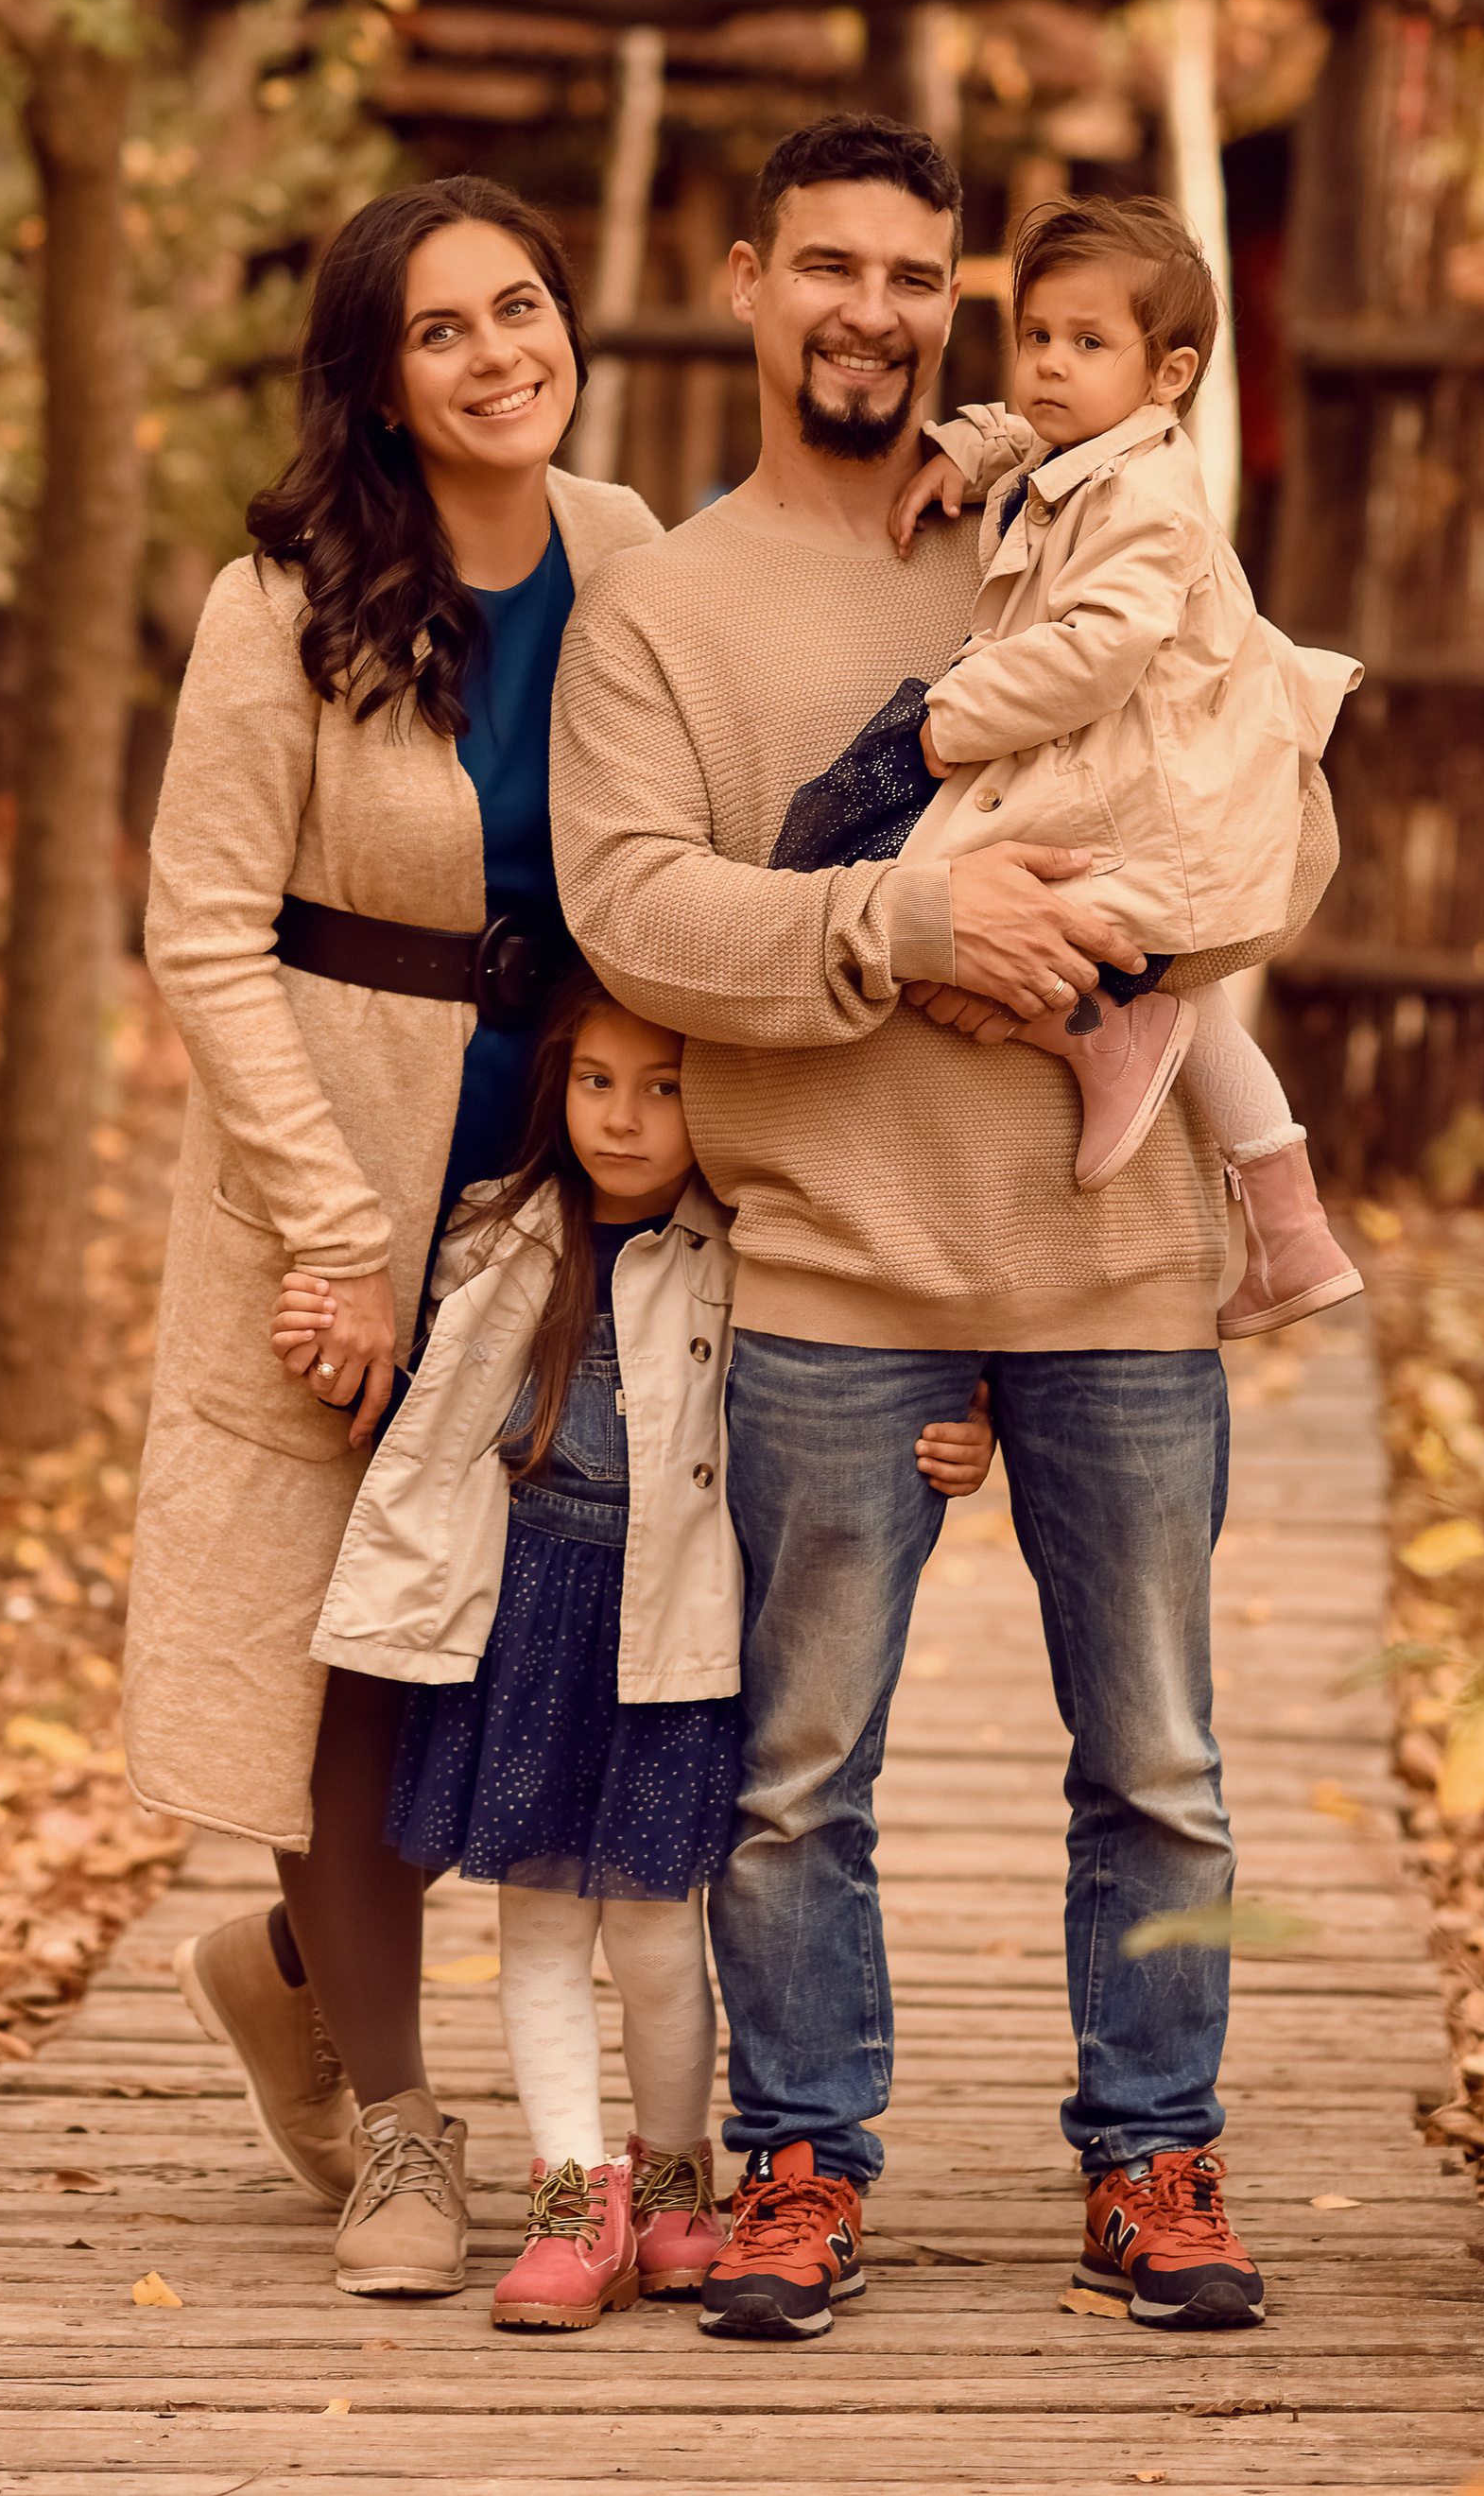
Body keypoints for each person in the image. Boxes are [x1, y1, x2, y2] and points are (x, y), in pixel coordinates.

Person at [550, 113, 1341, 2347]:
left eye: (915, 274)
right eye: (829, 266)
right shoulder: (669, 609)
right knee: (795, 1777)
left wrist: (1181, 912)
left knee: (1156, 1762)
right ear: (741, 282)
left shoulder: (1071, 510)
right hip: (830, 1267)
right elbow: (632, 909)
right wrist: (906, 921)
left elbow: (1248, 778)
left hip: (1108, 1265)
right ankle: (804, 2161)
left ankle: (1151, 2150)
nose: (872, 311)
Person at [123, 177, 660, 2302]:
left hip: (570, 1168)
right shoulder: (280, 603)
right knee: (340, 1648)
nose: (493, 352)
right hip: (340, 1158)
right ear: (375, 375)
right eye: (439, 328)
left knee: (518, 1630)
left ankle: (287, 1969)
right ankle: (404, 2133)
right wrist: (332, 1233)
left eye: (516, 306)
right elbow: (197, 925)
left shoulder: (630, 550)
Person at [281, 979, 996, 2329]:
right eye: (596, 1081)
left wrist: (963, 1427)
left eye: (663, 1085)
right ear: (555, 1085)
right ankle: (571, 2193)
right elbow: (414, 1389)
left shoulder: (742, 1246)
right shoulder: (497, 1233)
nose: (623, 1117)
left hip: (676, 1630)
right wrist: (326, 1335)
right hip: (531, 1623)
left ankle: (675, 2185)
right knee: (539, 1925)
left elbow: (852, 1376)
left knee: (662, 1934)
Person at [845, 193, 1365, 1337]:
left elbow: (1097, 650)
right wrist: (965, 450)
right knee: (1168, 993)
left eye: (1087, 345)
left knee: (920, 903)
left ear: (1168, 374)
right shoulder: (1098, 451)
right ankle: (1292, 1231)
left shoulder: (1149, 501)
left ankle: (1105, 1044)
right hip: (1151, 785)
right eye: (1035, 337)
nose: (1047, 366)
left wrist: (949, 720)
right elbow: (1030, 438)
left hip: (1149, 794)